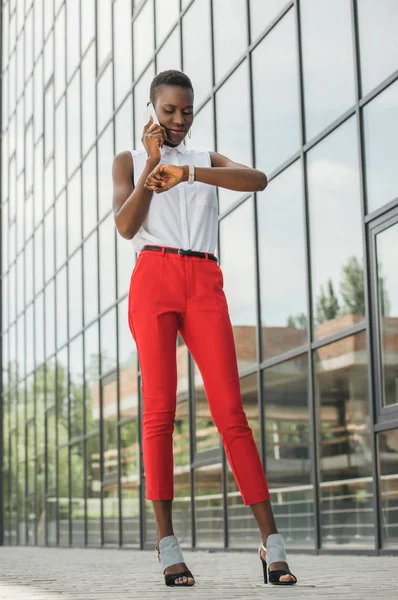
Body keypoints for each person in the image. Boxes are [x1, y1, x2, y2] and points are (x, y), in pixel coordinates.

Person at [112, 70, 297, 588]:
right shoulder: (128, 158)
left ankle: (271, 542)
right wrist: (154, 165)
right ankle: (168, 544)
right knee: (160, 411)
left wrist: (190, 175)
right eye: (169, 110)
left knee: (230, 411)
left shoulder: (206, 160)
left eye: (186, 111)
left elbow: (257, 179)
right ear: (152, 109)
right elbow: (126, 226)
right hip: (154, 276)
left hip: (204, 279)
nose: (178, 120)